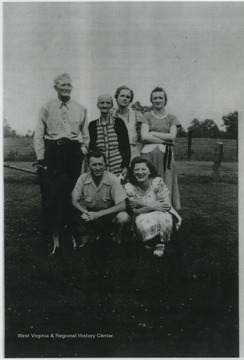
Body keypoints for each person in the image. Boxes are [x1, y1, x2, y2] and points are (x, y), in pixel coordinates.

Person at [34, 73, 89, 254]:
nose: (66, 88)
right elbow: (39, 135)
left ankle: (72, 234)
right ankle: (52, 237)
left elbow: (85, 134)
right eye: (63, 85)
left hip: (73, 154)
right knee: (52, 195)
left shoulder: (80, 108)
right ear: (55, 87)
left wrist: (83, 150)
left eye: (69, 85)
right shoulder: (46, 108)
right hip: (53, 153)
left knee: (72, 194)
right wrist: (42, 159)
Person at [124, 157, 181, 257]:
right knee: (141, 219)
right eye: (136, 169)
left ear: (149, 171)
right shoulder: (130, 187)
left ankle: (161, 244)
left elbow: (165, 205)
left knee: (163, 216)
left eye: (143, 169)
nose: (140, 172)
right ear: (132, 172)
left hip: (163, 212)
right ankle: (150, 242)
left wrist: (143, 204)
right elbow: (135, 212)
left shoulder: (157, 182)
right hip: (143, 215)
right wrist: (153, 206)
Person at [71, 150, 130, 245]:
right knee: (73, 213)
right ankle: (87, 238)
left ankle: (117, 241)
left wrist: (98, 214)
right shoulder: (83, 178)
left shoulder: (112, 179)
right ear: (88, 165)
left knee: (123, 217)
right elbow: (74, 200)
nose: (98, 168)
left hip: (108, 214)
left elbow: (122, 206)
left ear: (105, 165)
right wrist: (83, 211)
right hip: (90, 215)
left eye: (100, 164)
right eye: (94, 165)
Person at [139, 87, 181, 210]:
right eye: (155, 98)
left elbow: (172, 136)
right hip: (148, 155)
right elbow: (144, 136)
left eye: (160, 98)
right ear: (151, 100)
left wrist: (153, 133)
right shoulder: (146, 115)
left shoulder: (172, 117)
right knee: (148, 181)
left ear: (165, 100)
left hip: (166, 156)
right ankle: (147, 212)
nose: (158, 100)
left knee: (166, 183)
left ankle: (167, 213)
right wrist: (165, 140)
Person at [88, 94, 131, 179]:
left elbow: (126, 146)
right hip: (100, 168)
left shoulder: (119, 122)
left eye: (108, 103)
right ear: (98, 105)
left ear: (111, 105)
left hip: (118, 167)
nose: (105, 105)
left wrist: (125, 166)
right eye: (102, 103)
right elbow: (92, 148)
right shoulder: (92, 125)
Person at [113, 85, 142, 160]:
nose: (125, 99)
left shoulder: (137, 115)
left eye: (128, 97)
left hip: (133, 152)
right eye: (122, 96)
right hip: (115, 153)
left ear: (130, 100)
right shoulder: (111, 115)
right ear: (116, 98)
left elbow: (142, 137)